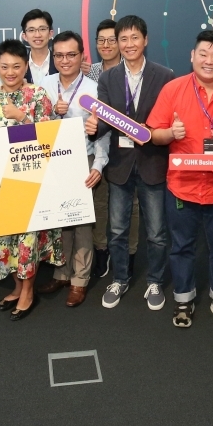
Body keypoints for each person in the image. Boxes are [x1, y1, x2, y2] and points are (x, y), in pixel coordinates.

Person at [146, 30, 213, 329]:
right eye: (203, 54)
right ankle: (183, 298)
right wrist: (171, 134)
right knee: (181, 247)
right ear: (192, 56)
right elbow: (154, 133)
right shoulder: (173, 89)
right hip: (182, 186)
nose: (209, 61)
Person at [85, 15, 176, 311]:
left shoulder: (165, 75)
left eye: (134, 37)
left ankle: (155, 281)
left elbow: (169, 120)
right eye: (122, 39)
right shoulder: (108, 78)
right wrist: (93, 128)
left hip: (152, 162)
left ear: (145, 40)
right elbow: (103, 123)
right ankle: (120, 279)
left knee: (157, 233)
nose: (128, 44)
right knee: (118, 229)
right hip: (121, 165)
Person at [0, 39, 60, 321]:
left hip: (31, 183)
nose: (10, 72)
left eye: (16, 66)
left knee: (27, 240)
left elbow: (53, 137)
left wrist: (23, 116)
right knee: (5, 240)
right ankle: (16, 285)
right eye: (4, 66)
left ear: (26, 66)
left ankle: (28, 292)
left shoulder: (38, 95)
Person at [34, 32, 109, 307]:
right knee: (60, 221)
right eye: (59, 55)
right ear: (54, 57)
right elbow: (34, 126)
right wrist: (52, 113)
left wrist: (99, 166)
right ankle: (62, 273)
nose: (65, 60)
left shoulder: (94, 88)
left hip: (83, 161)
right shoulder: (44, 84)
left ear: (82, 57)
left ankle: (80, 280)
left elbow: (102, 133)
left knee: (82, 224)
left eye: (71, 55)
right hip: (51, 160)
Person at [85, 18, 138, 280]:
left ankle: (129, 254)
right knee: (101, 203)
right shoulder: (89, 73)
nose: (106, 44)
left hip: (125, 151)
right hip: (97, 147)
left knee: (132, 206)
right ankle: (102, 251)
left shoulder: (131, 72)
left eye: (111, 39)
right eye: (100, 40)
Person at [21, 9, 57, 85]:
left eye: (42, 29)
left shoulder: (61, 63)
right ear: (25, 36)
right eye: (31, 30)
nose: (37, 35)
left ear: (50, 33)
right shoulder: (19, 66)